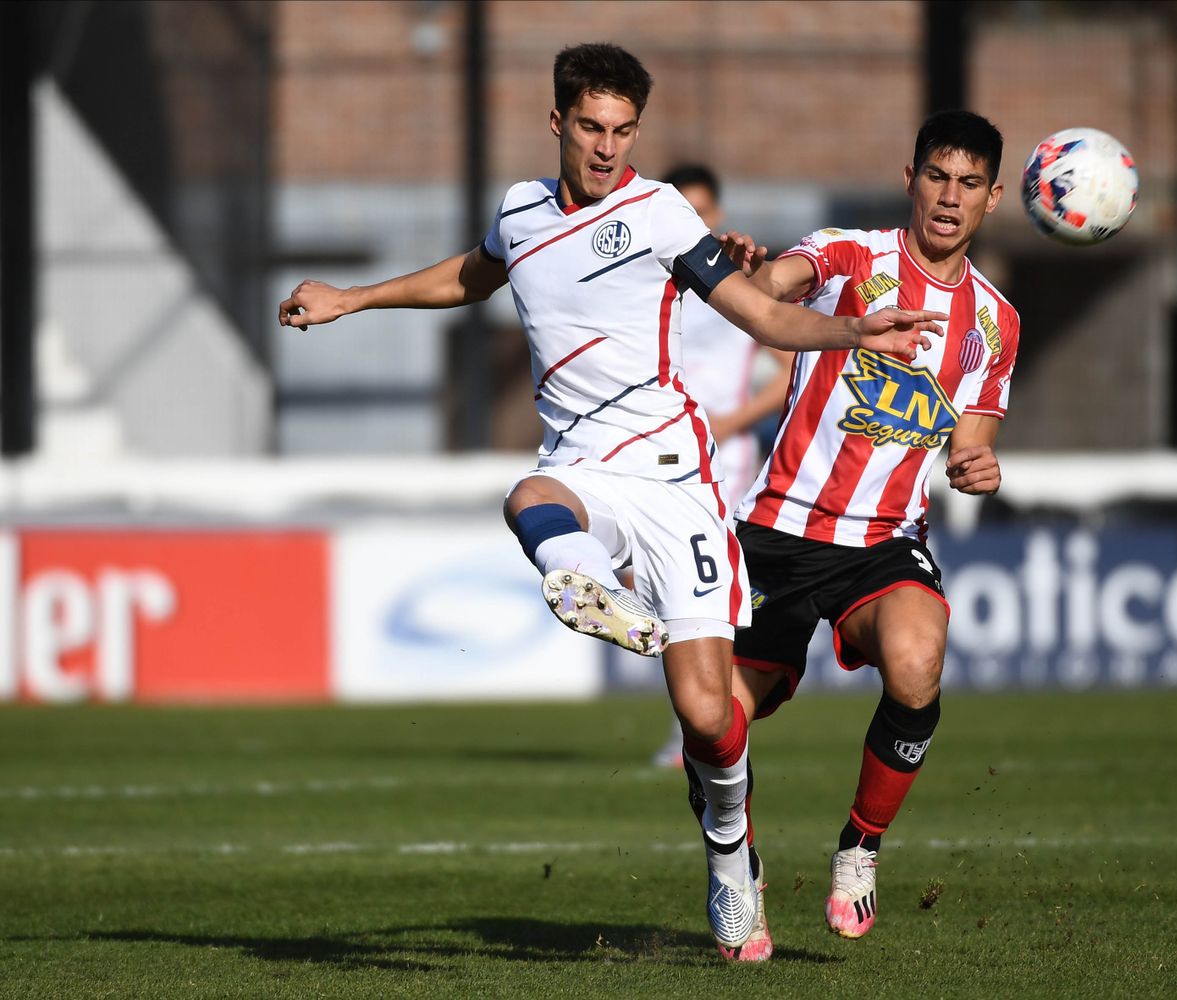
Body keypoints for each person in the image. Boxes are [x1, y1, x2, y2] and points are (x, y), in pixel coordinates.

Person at [277, 43, 943, 961]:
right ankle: (581, 580)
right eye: (591, 127)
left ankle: (727, 859)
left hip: (677, 480)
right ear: (557, 123)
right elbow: (473, 276)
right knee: (529, 496)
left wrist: (853, 328)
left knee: (710, 715)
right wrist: (353, 298)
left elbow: (759, 313)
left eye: (624, 130)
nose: (606, 146)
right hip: (584, 463)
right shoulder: (518, 212)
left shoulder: (661, 212)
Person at [706, 109, 1019, 950]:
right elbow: (777, 287)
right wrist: (750, 270)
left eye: (968, 185)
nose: (948, 198)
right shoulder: (851, 254)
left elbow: (971, 443)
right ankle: (737, 868)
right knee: (714, 720)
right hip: (776, 529)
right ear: (910, 179)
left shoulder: (995, 322)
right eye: (936, 177)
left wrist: (976, 467)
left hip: (883, 539)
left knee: (919, 661)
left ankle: (861, 849)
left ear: (991, 199)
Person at [651, 163, 794, 770]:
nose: (697, 221)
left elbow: (785, 376)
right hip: (660, 450)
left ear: (717, 213)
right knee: (661, 591)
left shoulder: (736, 281)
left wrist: (726, 425)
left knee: (706, 594)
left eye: (704, 211)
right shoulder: (650, 275)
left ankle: (712, 726)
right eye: (685, 209)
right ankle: (701, 719)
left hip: (724, 458)